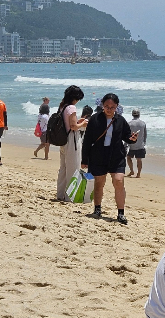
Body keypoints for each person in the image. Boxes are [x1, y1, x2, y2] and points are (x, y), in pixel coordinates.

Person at [82, 93, 137, 224]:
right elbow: (87, 140)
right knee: (99, 183)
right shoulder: (95, 119)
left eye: (112, 107)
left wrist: (133, 139)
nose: (109, 109)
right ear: (102, 105)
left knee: (118, 181)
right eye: (106, 106)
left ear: (117, 106)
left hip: (116, 156)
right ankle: (97, 209)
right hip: (98, 155)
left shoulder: (121, 120)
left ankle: (121, 213)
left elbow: (127, 137)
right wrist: (84, 159)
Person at [56, 85, 88, 201]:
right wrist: (83, 124)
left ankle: (60, 194)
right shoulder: (72, 108)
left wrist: (78, 123)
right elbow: (74, 127)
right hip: (72, 139)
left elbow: (69, 123)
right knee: (73, 168)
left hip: (63, 139)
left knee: (63, 168)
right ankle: (70, 196)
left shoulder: (62, 106)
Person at [127, 108, 147, 178]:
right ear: (139, 115)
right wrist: (144, 142)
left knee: (128, 157)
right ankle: (138, 174)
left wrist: (126, 144)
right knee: (139, 160)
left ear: (132, 115)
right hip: (140, 145)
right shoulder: (143, 123)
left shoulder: (129, 123)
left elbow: (127, 134)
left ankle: (132, 170)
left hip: (132, 145)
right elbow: (145, 135)